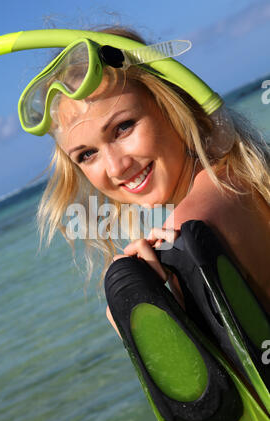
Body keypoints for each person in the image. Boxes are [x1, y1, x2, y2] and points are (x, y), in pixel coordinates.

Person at [31, 27, 270, 336]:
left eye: (123, 127)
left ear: (170, 103)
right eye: (88, 154)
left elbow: (212, 382)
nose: (117, 167)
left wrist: (134, 315)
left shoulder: (188, 235)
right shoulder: (244, 175)